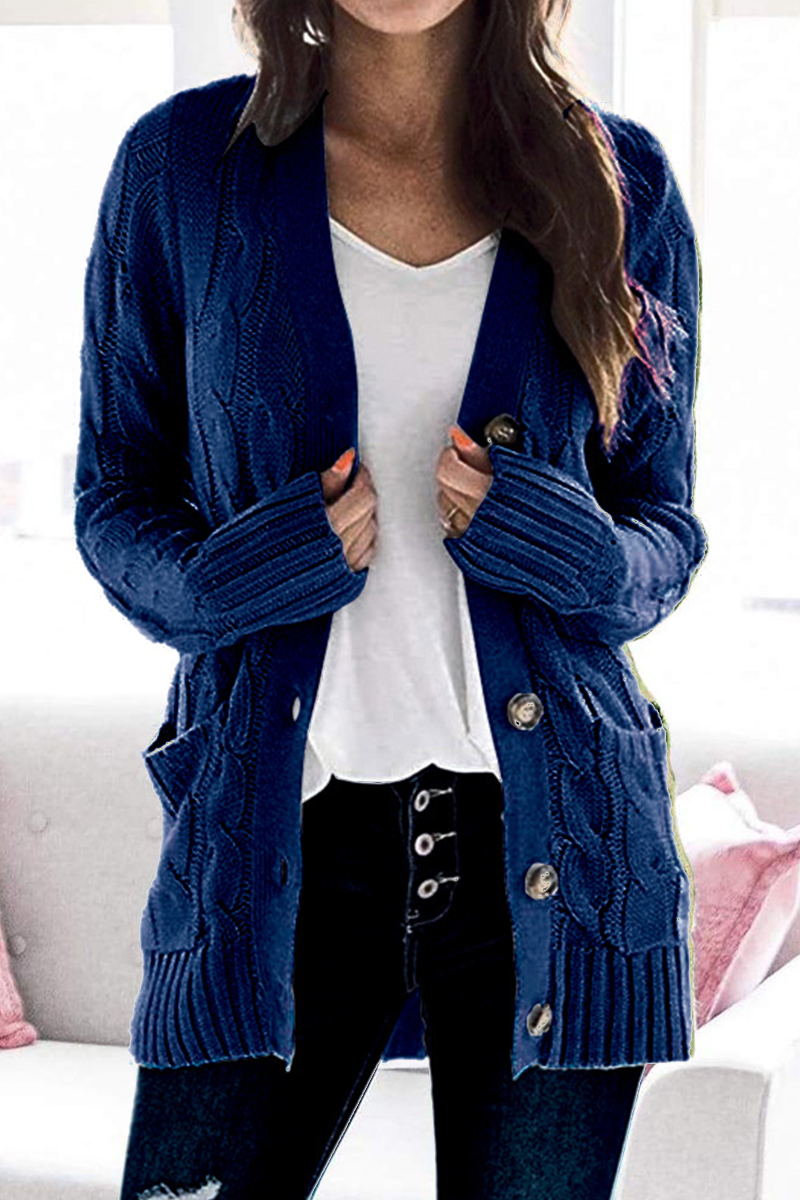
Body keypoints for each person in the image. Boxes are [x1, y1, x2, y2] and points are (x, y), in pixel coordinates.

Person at [74, 1, 707, 1197]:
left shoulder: (619, 180)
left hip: (554, 848)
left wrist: (568, 550)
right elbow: (114, 499)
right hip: (276, 841)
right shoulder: (182, 170)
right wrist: (235, 575)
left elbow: (662, 528)